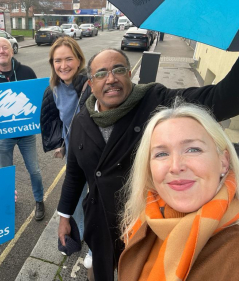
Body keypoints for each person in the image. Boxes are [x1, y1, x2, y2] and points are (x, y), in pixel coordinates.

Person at [57, 48, 239, 281]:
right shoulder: (81, 121)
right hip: (100, 221)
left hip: (146, 224)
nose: (111, 78)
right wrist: (64, 217)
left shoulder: (156, 101)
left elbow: (222, 100)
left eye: (119, 70)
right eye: (101, 74)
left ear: (130, 74)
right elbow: (74, 174)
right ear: (91, 84)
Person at [118, 102, 239, 280]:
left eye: (193, 149)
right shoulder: (144, 220)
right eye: (161, 154)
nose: (175, 167)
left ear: (223, 161)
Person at [39, 36, 93, 271]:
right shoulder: (53, 89)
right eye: (57, 60)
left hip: (94, 154)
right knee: (78, 199)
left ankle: (95, 245)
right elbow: (60, 121)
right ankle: (81, 236)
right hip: (73, 153)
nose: (63, 65)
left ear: (79, 59)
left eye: (68, 59)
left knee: (97, 200)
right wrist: (61, 144)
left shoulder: (90, 85)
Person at [0, 37, 45, 221]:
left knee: (35, 171)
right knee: (4, 174)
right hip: (3, 136)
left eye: (5, 47)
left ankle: (39, 200)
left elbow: (36, 99)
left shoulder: (27, 71)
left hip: (26, 134)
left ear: (12, 51)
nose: (1, 51)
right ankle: (8, 201)